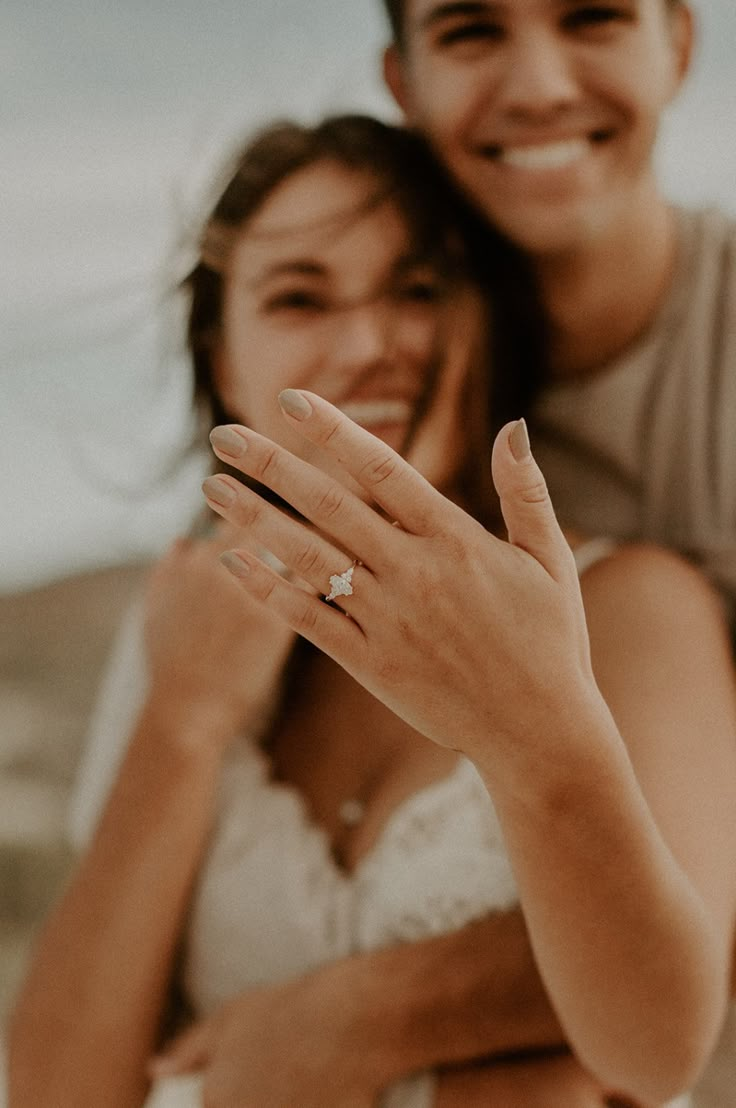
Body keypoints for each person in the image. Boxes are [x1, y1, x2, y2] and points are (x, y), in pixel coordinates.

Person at [8, 113, 736, 1108]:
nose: (367, 342)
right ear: (226, 356)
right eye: (300, 296)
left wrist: (343, 1020)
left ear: (489, 318)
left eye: (420, 289)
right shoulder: (179, 627)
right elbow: (60, 1090)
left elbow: (656, 1052)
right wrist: (185, 714)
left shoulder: (633, 607)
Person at [379, 0, 736, 629]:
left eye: (594, 17)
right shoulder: (352, 367)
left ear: (678, 48)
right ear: (403, 84)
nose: (540, 91)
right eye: (471, 32)